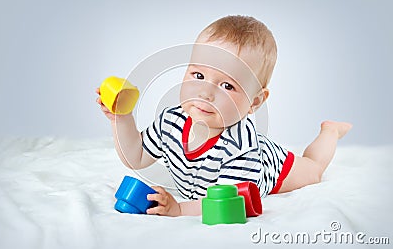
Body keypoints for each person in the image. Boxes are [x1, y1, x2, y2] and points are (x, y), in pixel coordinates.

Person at [96, 15, 352, 217]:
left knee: (313, 170)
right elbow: (136, 157)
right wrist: (122, 118)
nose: (206, 93)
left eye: (227, 86)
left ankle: (330, 131)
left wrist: (180, 209)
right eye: (198, 76)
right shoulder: (171, 121)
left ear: (255, 102)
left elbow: (228, 201)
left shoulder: (240, 148)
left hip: (272, 166)